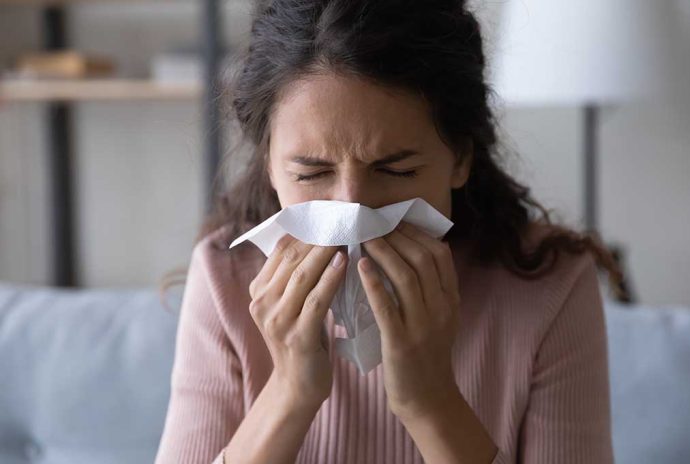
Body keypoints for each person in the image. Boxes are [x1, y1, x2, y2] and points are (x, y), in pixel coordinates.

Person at [154, 0, 622, 462]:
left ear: (460, 157)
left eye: (396, 171)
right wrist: (289, 393)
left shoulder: (552, 286)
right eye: (312, 174)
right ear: (270, 165)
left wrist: (429, 400)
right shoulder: (225, 278)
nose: (352, 210)